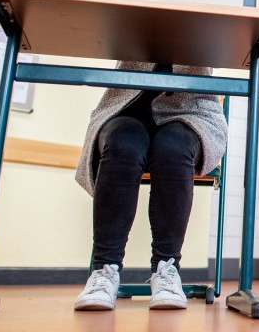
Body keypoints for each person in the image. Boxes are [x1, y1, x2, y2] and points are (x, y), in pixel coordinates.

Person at [73, 61, 228, 311]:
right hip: (126, 107)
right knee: (124, 143)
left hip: (191, 110)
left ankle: (166, 269)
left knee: (173, 147)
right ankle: (104, 270)